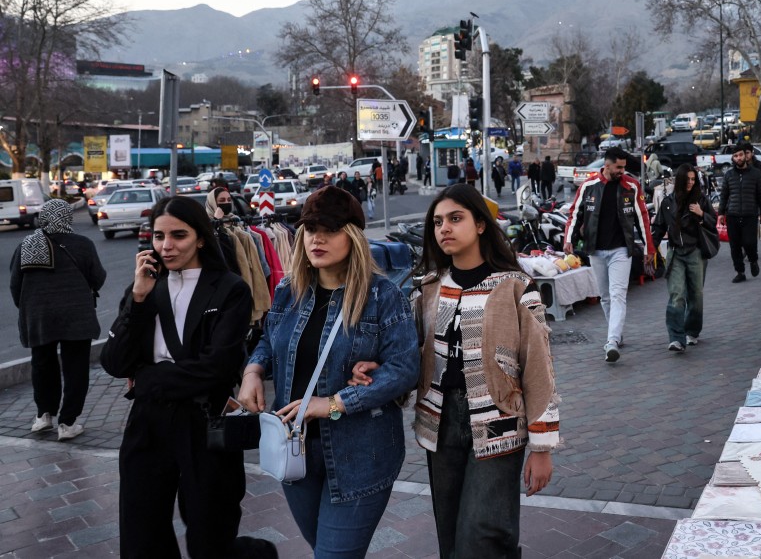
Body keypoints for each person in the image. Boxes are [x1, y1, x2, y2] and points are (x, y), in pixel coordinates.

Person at [355, 183, 557, 558]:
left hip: (499, 424)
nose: (444, 228)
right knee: (449, 535)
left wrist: (542, 447)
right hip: (440, 424)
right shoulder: (428, 289)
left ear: (481, 225)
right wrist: (378, 368)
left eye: (455, 218)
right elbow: (411, 355)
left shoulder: (515, 286)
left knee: (483, 536)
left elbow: (539, 369)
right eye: (437, 222)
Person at [239, 186, 419, 559]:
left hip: (360, 454)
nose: (316, 238)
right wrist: (253, 371)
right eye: (309, 228)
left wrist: (335, 402)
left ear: (352, 236)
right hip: (296, 453)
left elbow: (404, 368)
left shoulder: (382, 296)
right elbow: (269, 341)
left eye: (330, 229)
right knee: (326, 550)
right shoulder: (290, 290)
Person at [100, 196, 276, 559]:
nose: (166, 246)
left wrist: (147, 378)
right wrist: (137, 299)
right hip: (147, 423)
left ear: (200, 238)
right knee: (141, 533)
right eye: (159, 236)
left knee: (210, 534)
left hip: (205, 421)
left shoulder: (229, 289)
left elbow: (216, 368)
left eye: (178, 235)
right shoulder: (145, 289)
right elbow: (115, 362)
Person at [11, 199, 106, 441]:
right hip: (77, 317)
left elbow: (15, 286)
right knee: (76, 370)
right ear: (67, 217)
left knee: (43, 366)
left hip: (39, 317)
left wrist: (31, 307)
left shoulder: (27, 245)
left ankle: (44, 415)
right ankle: (68, 423)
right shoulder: (82, 245)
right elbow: (98, 277)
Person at [564, 146, 655, 362]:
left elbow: (642, 217)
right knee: (605, 297)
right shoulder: (589, 185)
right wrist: (568, 239)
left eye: (624, 167)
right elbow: (575, 214)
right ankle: (616, 333)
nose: (622, 171)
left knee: (617, 294)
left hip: (621, 250)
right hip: (595, 249)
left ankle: (612, 340)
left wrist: (648, 248)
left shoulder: (631, 186)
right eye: (618, 167)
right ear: (607, 165)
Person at [650, 164, 717, 350]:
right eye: (687, 179)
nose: (690, 183)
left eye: (693, 179)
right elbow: (659, 227)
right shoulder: (668, 202)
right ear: (679, 180)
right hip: (675, 252)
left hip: (696, 251)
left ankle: (692, 331)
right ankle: (676, 337)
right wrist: (651, 248)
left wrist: (701, 214)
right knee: (676, 294)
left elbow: (713, 222)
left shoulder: (701, 200)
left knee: (695, 295)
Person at [717, 147, 761, 283]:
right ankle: (740, 272)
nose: (739, 158)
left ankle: (753, 260)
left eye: (741, 155)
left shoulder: (756, 174)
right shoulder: (729, 175)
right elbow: (724, 196)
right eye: (735, 156)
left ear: (745, 156)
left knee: (749, 242)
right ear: (733, 158)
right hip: (732, 214)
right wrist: (721, 213)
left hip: (750, 213)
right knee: (734, 246)